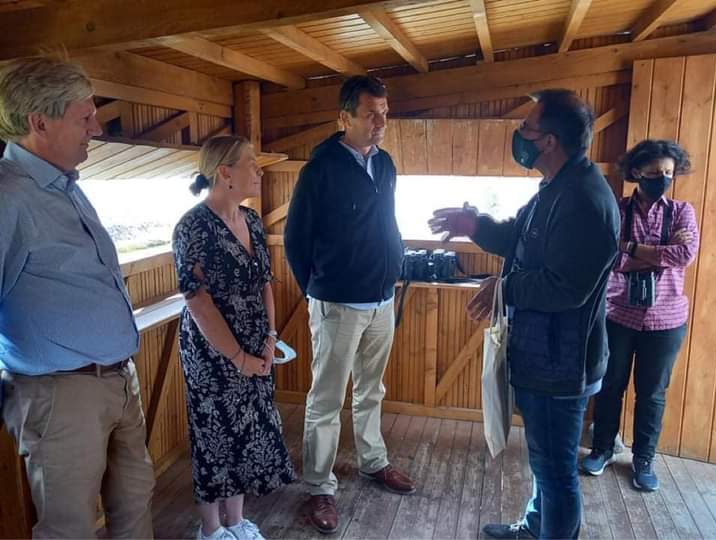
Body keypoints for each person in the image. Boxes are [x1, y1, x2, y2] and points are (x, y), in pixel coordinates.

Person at [429, 89, 620, 540]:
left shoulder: (584, 199)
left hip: (563, 362)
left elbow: (566, 287)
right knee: (544, 461)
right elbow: (519, 237)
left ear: (550, 141)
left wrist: (504, 286)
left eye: (527, 128)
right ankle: (535, 528)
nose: (520, 134)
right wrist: (474, 225)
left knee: (556, 472)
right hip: (544, 353)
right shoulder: (557, 187)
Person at [0, 57, 155, 537]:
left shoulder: (65, 186)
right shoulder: (9, 195)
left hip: (116, 381)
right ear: (40, 122)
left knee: (135, 504)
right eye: (84, 116)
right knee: (69, 528)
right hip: (60, 396)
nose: (97, 128)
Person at [284, 75, 414, 534]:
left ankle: (373, 461)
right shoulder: (319, 170)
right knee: (326, 398)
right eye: (371, 114)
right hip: (337, 302)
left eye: (384, 113)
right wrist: (317, 290)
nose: (381, 122)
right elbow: (296, 239)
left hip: (381, 298)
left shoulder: (386, 164)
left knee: (371, 390)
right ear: (345, 117)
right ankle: (319, 485)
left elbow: (386, 221)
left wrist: (393, 265)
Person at [172, 135, 295, 540]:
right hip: (212, 352)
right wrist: (238, 358)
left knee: (247, 430)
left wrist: (269, 338)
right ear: (225, 172)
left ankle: (236, 521)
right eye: (251, 164)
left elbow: (265, 283)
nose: (259, 171)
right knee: (214, 436)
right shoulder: (192, 226)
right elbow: (197, 301)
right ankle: (210, 529)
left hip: (257, 345)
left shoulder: (252, 221)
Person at [580, 140, 698, 491]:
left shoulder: (682, 211)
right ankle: (602, 449)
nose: (662, 178)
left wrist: (630, 247)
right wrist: (659, 252)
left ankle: (644, 459)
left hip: (666, 320)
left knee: (652, 393)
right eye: (654, 172)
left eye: (668, 172)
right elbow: (606, 257)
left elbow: (684, 254)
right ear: (636, 172)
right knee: (609, 386)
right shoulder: (616, 209)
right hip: (619, 315)